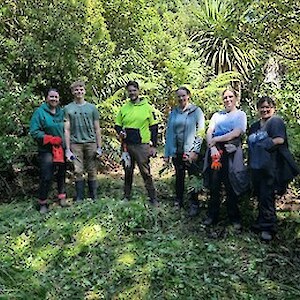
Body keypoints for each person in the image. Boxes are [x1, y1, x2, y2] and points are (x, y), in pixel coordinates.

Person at [248, 96, 299, 241]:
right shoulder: (255, 126)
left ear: (273, 108)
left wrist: (264, 144)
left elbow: (279, 139)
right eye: (262, 107)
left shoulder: (275, 121)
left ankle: (269, 228)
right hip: (256, 166)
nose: (264, 109)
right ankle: (261, 222)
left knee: (267, 195)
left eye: (267, 107)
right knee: (259, 194)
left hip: (271, 166)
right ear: (258, 109)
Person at [203, 88, 248, 228]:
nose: (228, 100)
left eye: (230, 97)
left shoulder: (240, 115)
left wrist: (217, 139)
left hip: (232, 153)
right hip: (215, 153)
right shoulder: (217, 115)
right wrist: (212, 147)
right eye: (225, 98)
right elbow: (209, 131)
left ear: (236, 98)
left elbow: (236, 132)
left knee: (231, 184)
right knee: (214, 185)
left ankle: (234, 218)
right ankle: (212, 216)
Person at [115, 81, 159, 206]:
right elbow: (117, 125)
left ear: (138, 91)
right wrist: (120, 132)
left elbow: (154, 127)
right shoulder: (124, 108)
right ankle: (127, 196)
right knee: (128, 171)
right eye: (130, 91)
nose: (132, 93)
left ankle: (153, 198)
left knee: (145, 172)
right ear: (127, 93)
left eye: (134, 90)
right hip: (126, 146)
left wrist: (154, 146)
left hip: (142, 146)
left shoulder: (147, 107)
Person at [164, 87, 205, 216]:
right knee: (179, 177)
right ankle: (179, 200)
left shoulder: (196, 111)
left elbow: (201, 132)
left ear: (188, 96)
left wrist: (195, 151)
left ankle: (194, 203)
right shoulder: (174, 113)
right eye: (179, 96)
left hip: (191, 151)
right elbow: (169, 133)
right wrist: (167, 153)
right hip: (178, 151)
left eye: (183, 96)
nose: (181, 99)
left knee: (193, 177)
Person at [64, 80, 102, 201]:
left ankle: (93, 196)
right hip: (75, 144)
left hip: (91, 142)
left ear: (84, 91)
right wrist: (67, 149)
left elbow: (97, 128)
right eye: (76, 90)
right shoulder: (68, 108)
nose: (79, 92)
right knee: (78, 170)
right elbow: (67, 129)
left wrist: (99, 147)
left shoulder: (92, 108)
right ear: (72, 92)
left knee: (92, 170)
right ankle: (80, 197)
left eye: (81, 89)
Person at [30, 88, 66, 213]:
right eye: (51, 97)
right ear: (47, 98)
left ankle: (62, 197)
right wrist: (49, 139)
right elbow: (34, 131)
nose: (54, 99)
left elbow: (67, 128)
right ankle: (43, 203)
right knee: (46, 176)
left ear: (59, 99)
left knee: (61, 174)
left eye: (56, 97)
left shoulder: (62, 112)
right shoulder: (40, 112)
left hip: (61, 148)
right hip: (46, 150)